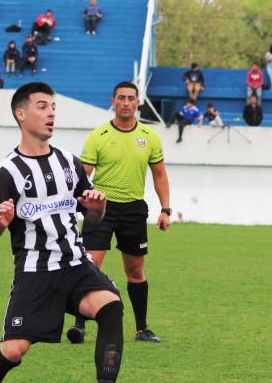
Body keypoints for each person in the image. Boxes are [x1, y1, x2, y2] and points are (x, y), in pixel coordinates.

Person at [0, 82, 123, 382]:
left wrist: (96, 206)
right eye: (42, 106)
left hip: (75, 264)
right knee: (14, 350)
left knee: (111, 307)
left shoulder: (69, 162)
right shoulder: (8, 170)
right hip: (35, 271)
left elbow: (93, 219)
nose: (51, 113)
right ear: (21, 114)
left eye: (53, 107)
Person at [66, 81, 169, 346]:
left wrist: (165, 209)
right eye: (121, 98)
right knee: (90, 265)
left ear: (137, 103)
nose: (125, 102)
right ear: (113, 101)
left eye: (130, 98)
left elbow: (160, 175)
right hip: (101, 209)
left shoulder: (150, 136)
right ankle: (79, 325)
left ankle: (141, 328)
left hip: (134, 210)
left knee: (135, 271)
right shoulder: (98, 136)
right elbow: (82, 177)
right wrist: (78, 205)